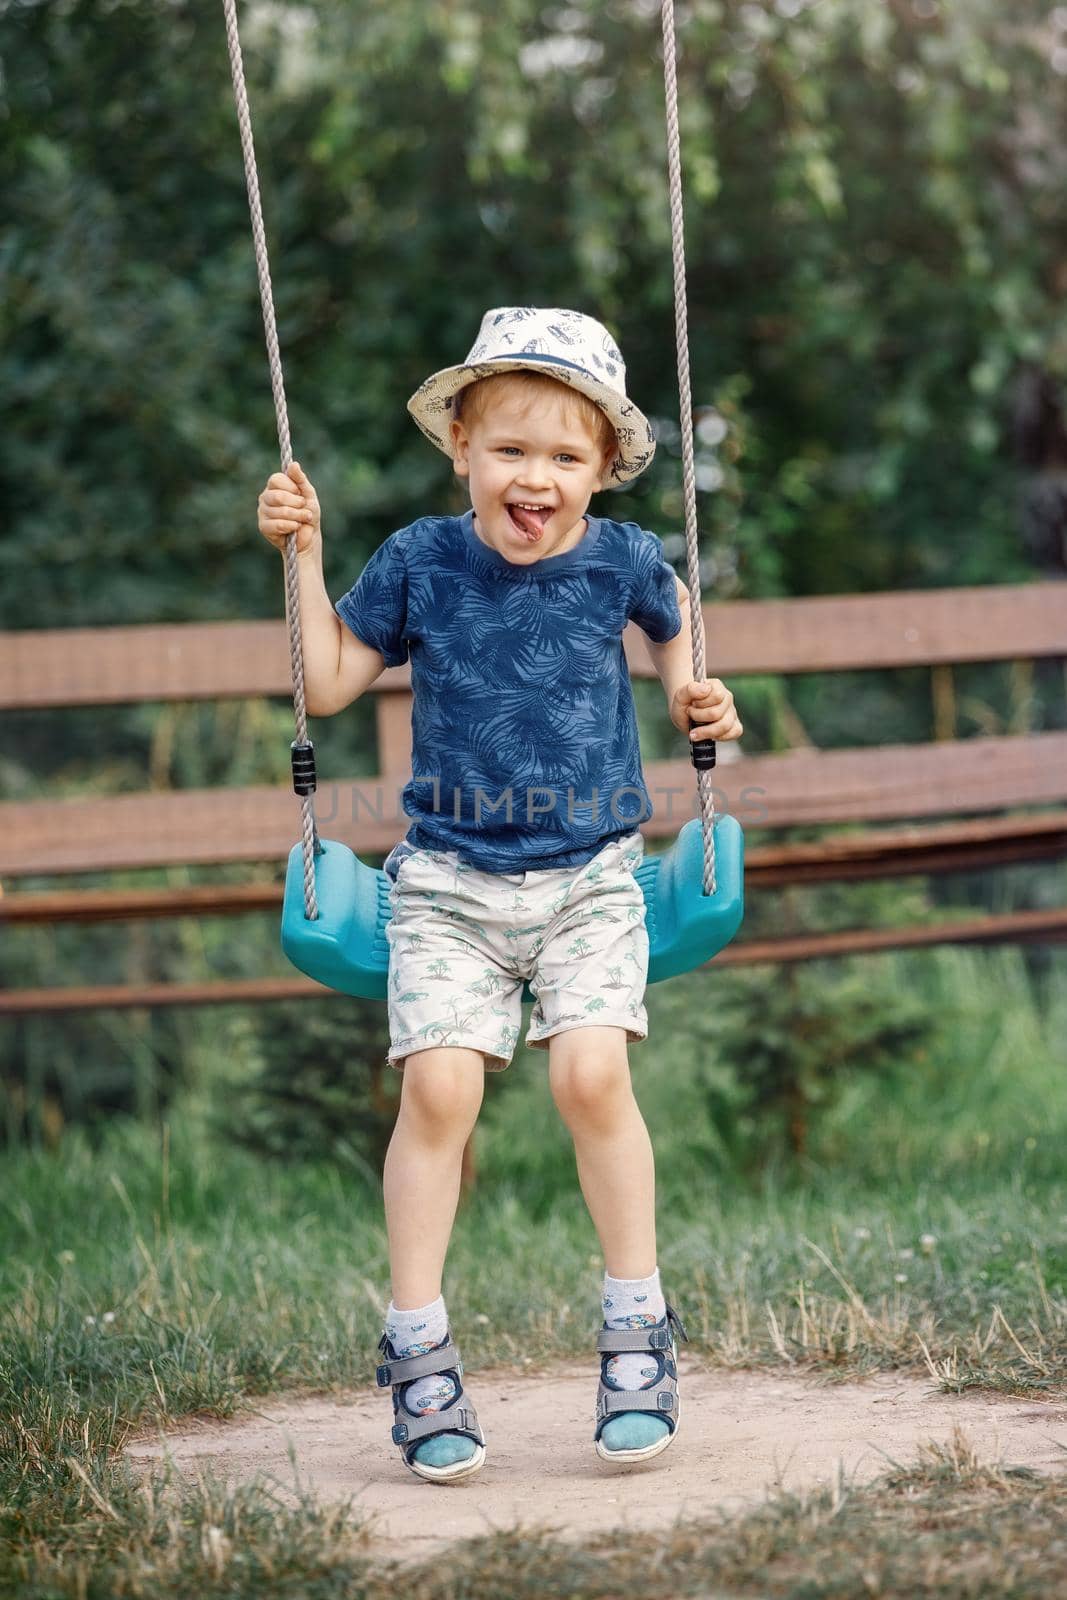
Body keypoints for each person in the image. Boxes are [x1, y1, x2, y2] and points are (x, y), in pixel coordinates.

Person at [257, 306, 743, 1486]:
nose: (536, 478)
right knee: (435, 1090)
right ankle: (417, 1345)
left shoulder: (627, 560)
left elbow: (685, 662)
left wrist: (702, 708)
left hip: (591, 879)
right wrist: (303, 552)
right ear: (460, 444)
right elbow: (324, 685)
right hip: (445, 886)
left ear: (602, 470)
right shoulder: (421, 559)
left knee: (590, 1072)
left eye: (565, 457)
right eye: (511, 449)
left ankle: (636, 1329)